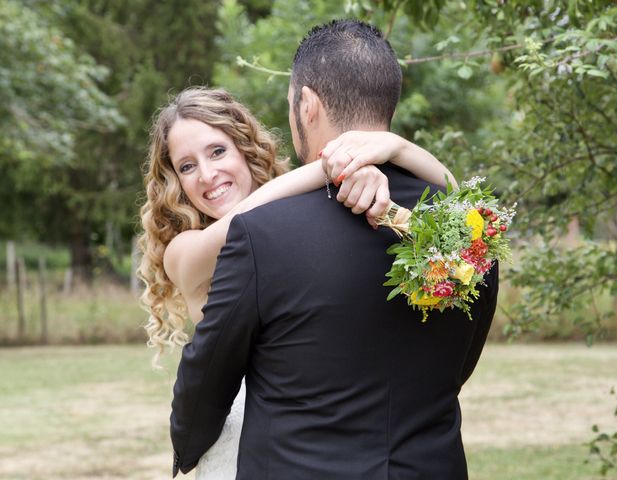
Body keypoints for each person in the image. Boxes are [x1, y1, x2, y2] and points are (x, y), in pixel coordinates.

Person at [170, 19, 498, 480]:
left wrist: (187, 450)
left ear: (307, 106)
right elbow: (459, 367)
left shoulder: (262, 235)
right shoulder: (472, 230)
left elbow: (204, 383)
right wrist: (396, 152)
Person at [138, 87, 457, 478]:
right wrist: (337, 164)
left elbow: (455, 196)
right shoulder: (183, 252)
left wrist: (395, 148)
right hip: (247, 446)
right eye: (186, 166)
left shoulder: (299, 212)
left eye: (217, 151)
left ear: (245, 148)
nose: (206, 175)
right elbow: (243, 224)